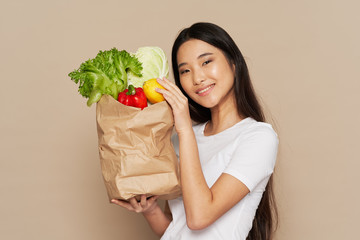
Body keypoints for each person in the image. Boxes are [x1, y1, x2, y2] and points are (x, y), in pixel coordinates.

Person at [111, 22, 279, 240]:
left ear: (234, 63)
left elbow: (199, 218)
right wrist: (150, 210)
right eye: (185, 71)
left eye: (206, 62)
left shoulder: (258, 137)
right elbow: (177, 229)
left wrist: (184, 128)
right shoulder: (181, 140)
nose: (197, 78)